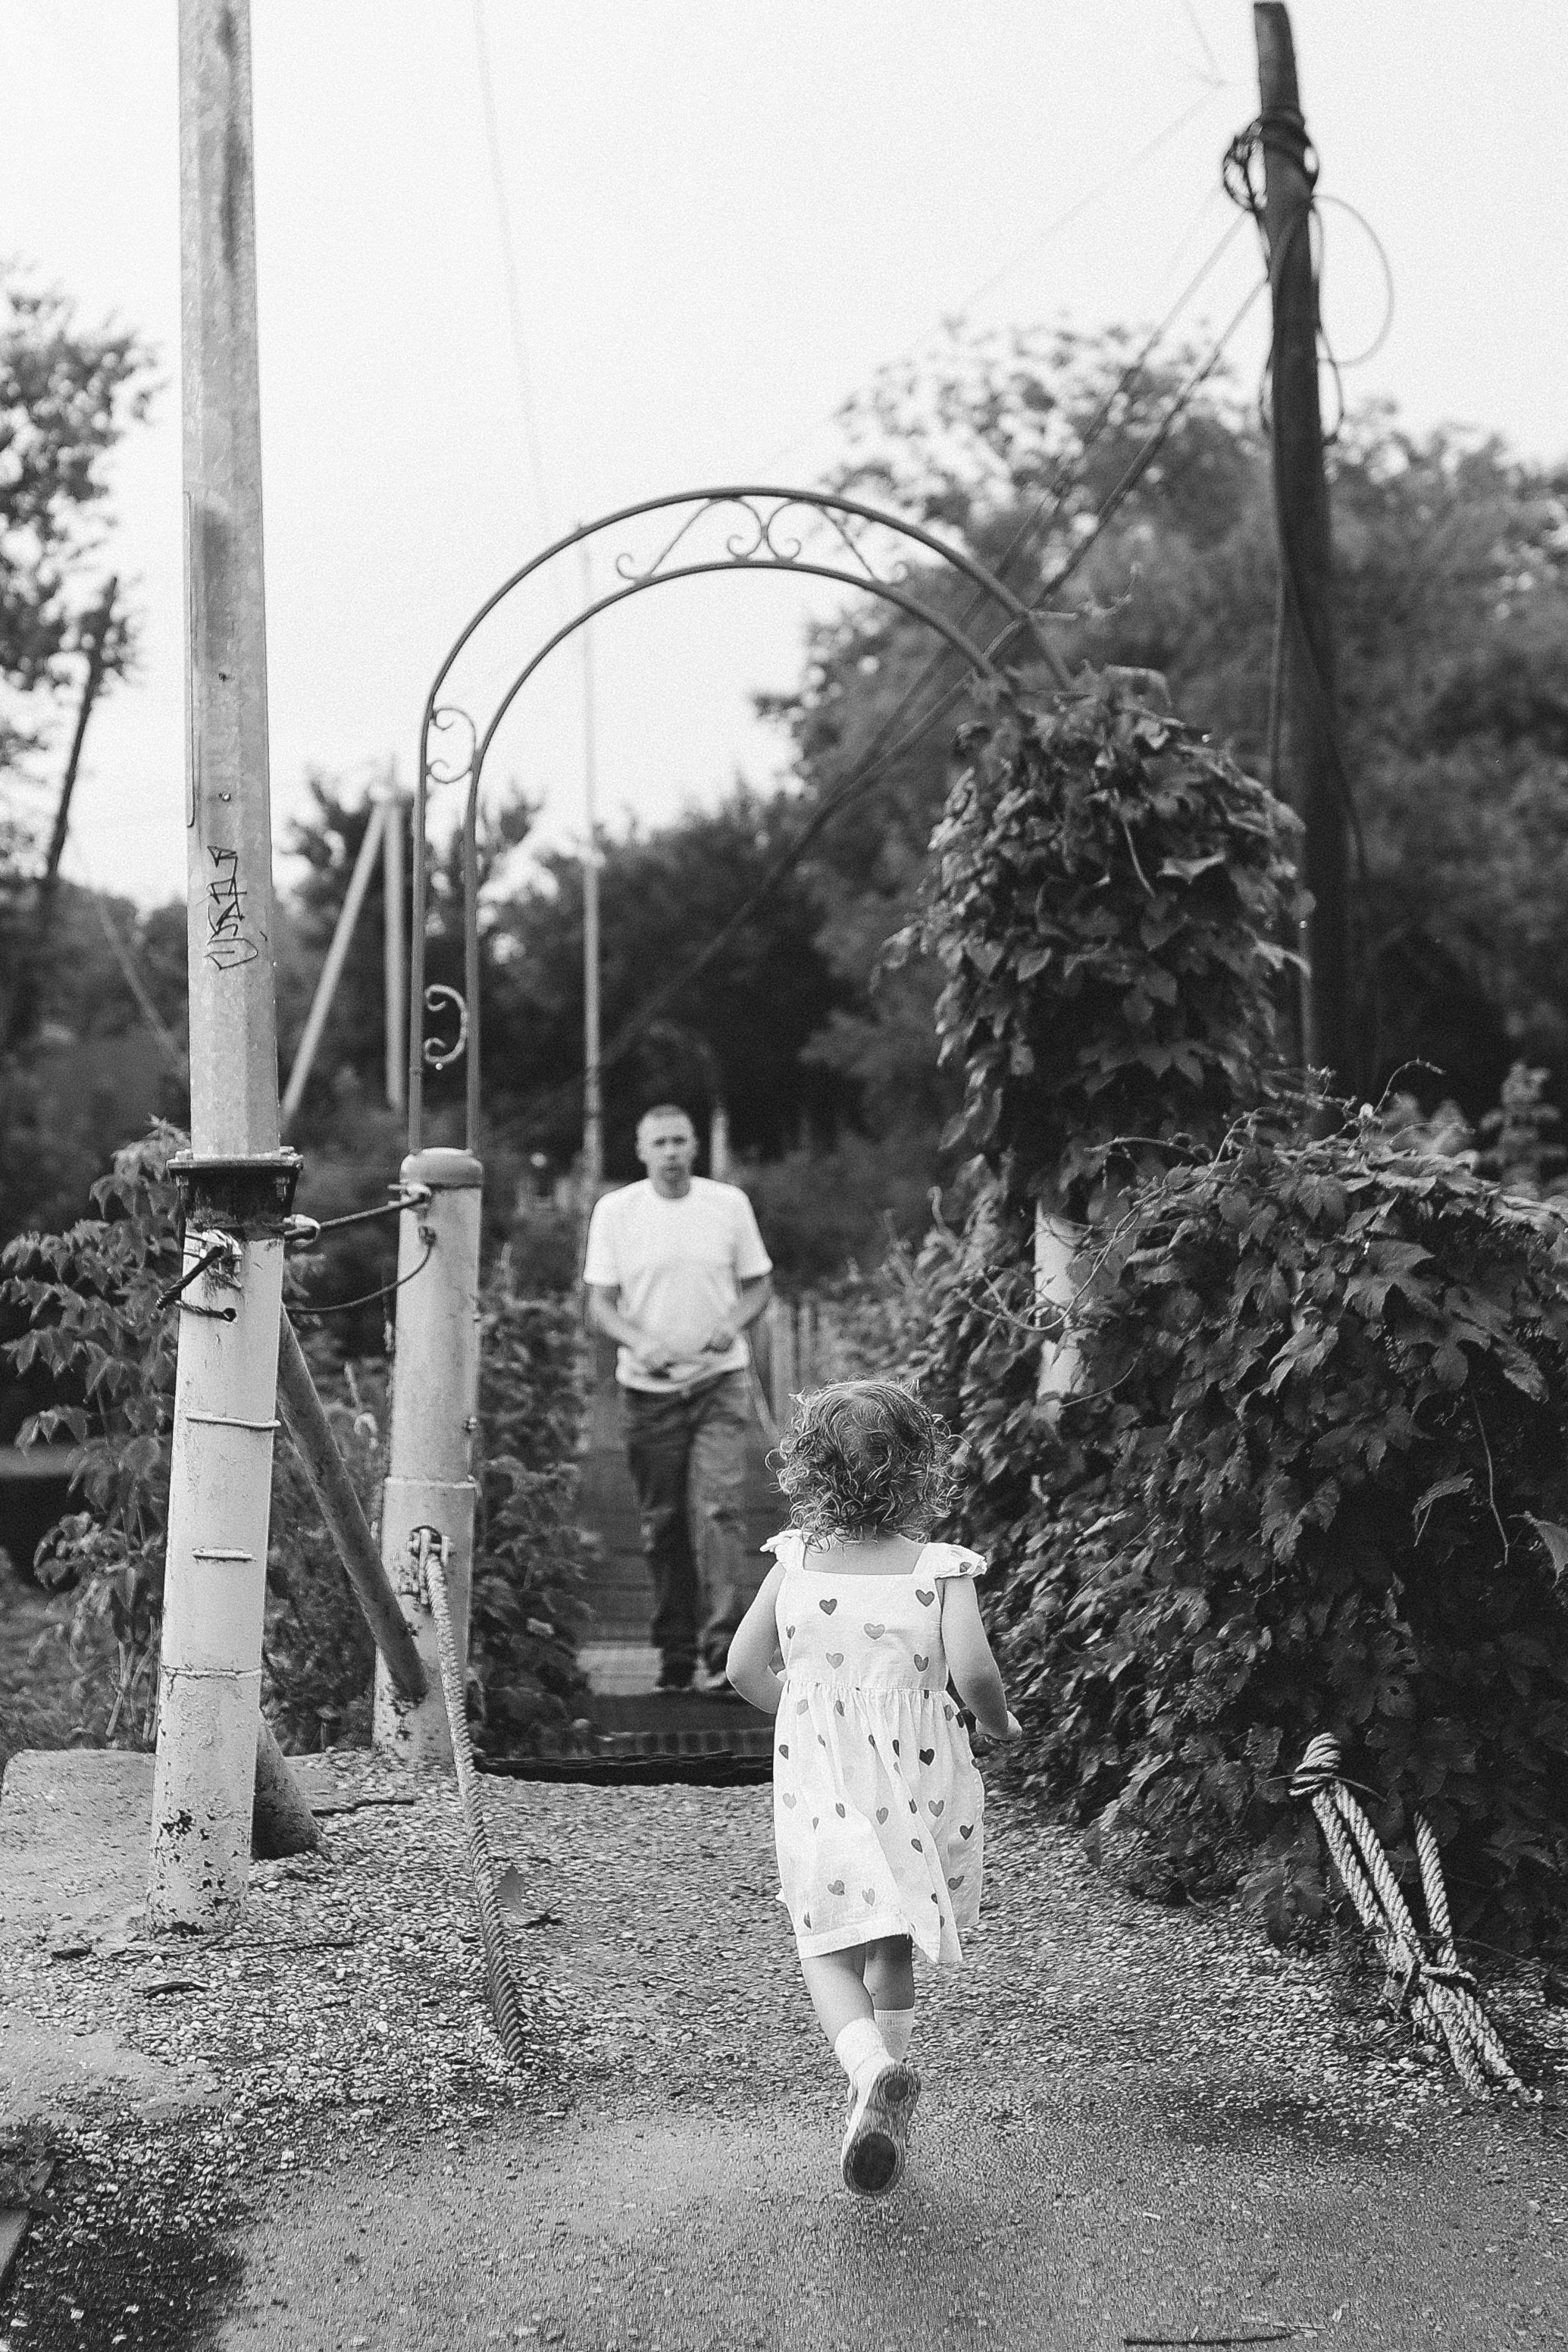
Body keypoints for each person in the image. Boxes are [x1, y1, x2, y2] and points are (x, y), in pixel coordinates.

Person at [725, 1377, 1022, 2197]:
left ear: (808, 1472)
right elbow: (974, 1672)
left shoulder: (794, 1561)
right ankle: (883, 2093)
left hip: (821, 1781)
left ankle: (866, 2073)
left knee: (824, 1941)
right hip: (919, 1782)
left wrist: (806, 1715)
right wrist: (1000, 1725)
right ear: (919, 1469)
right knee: (890, 1941)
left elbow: (742, 1668)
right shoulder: (940, 1569)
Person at [583, 1103, 775, 1695]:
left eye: (679, 1140)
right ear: (641, 1150)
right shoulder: (617, 1211)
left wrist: (733, 1323)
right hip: (648, 1391)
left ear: (694, 1146)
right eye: (659, 1142)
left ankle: (724, 1653)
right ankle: (674, 1651)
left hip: (719, 1380)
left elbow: (759, 1285)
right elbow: (599, 1303)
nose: (670, 1151)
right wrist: (638, 1340)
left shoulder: (727, 1204)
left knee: (719, 1510)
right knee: (661, 1522)